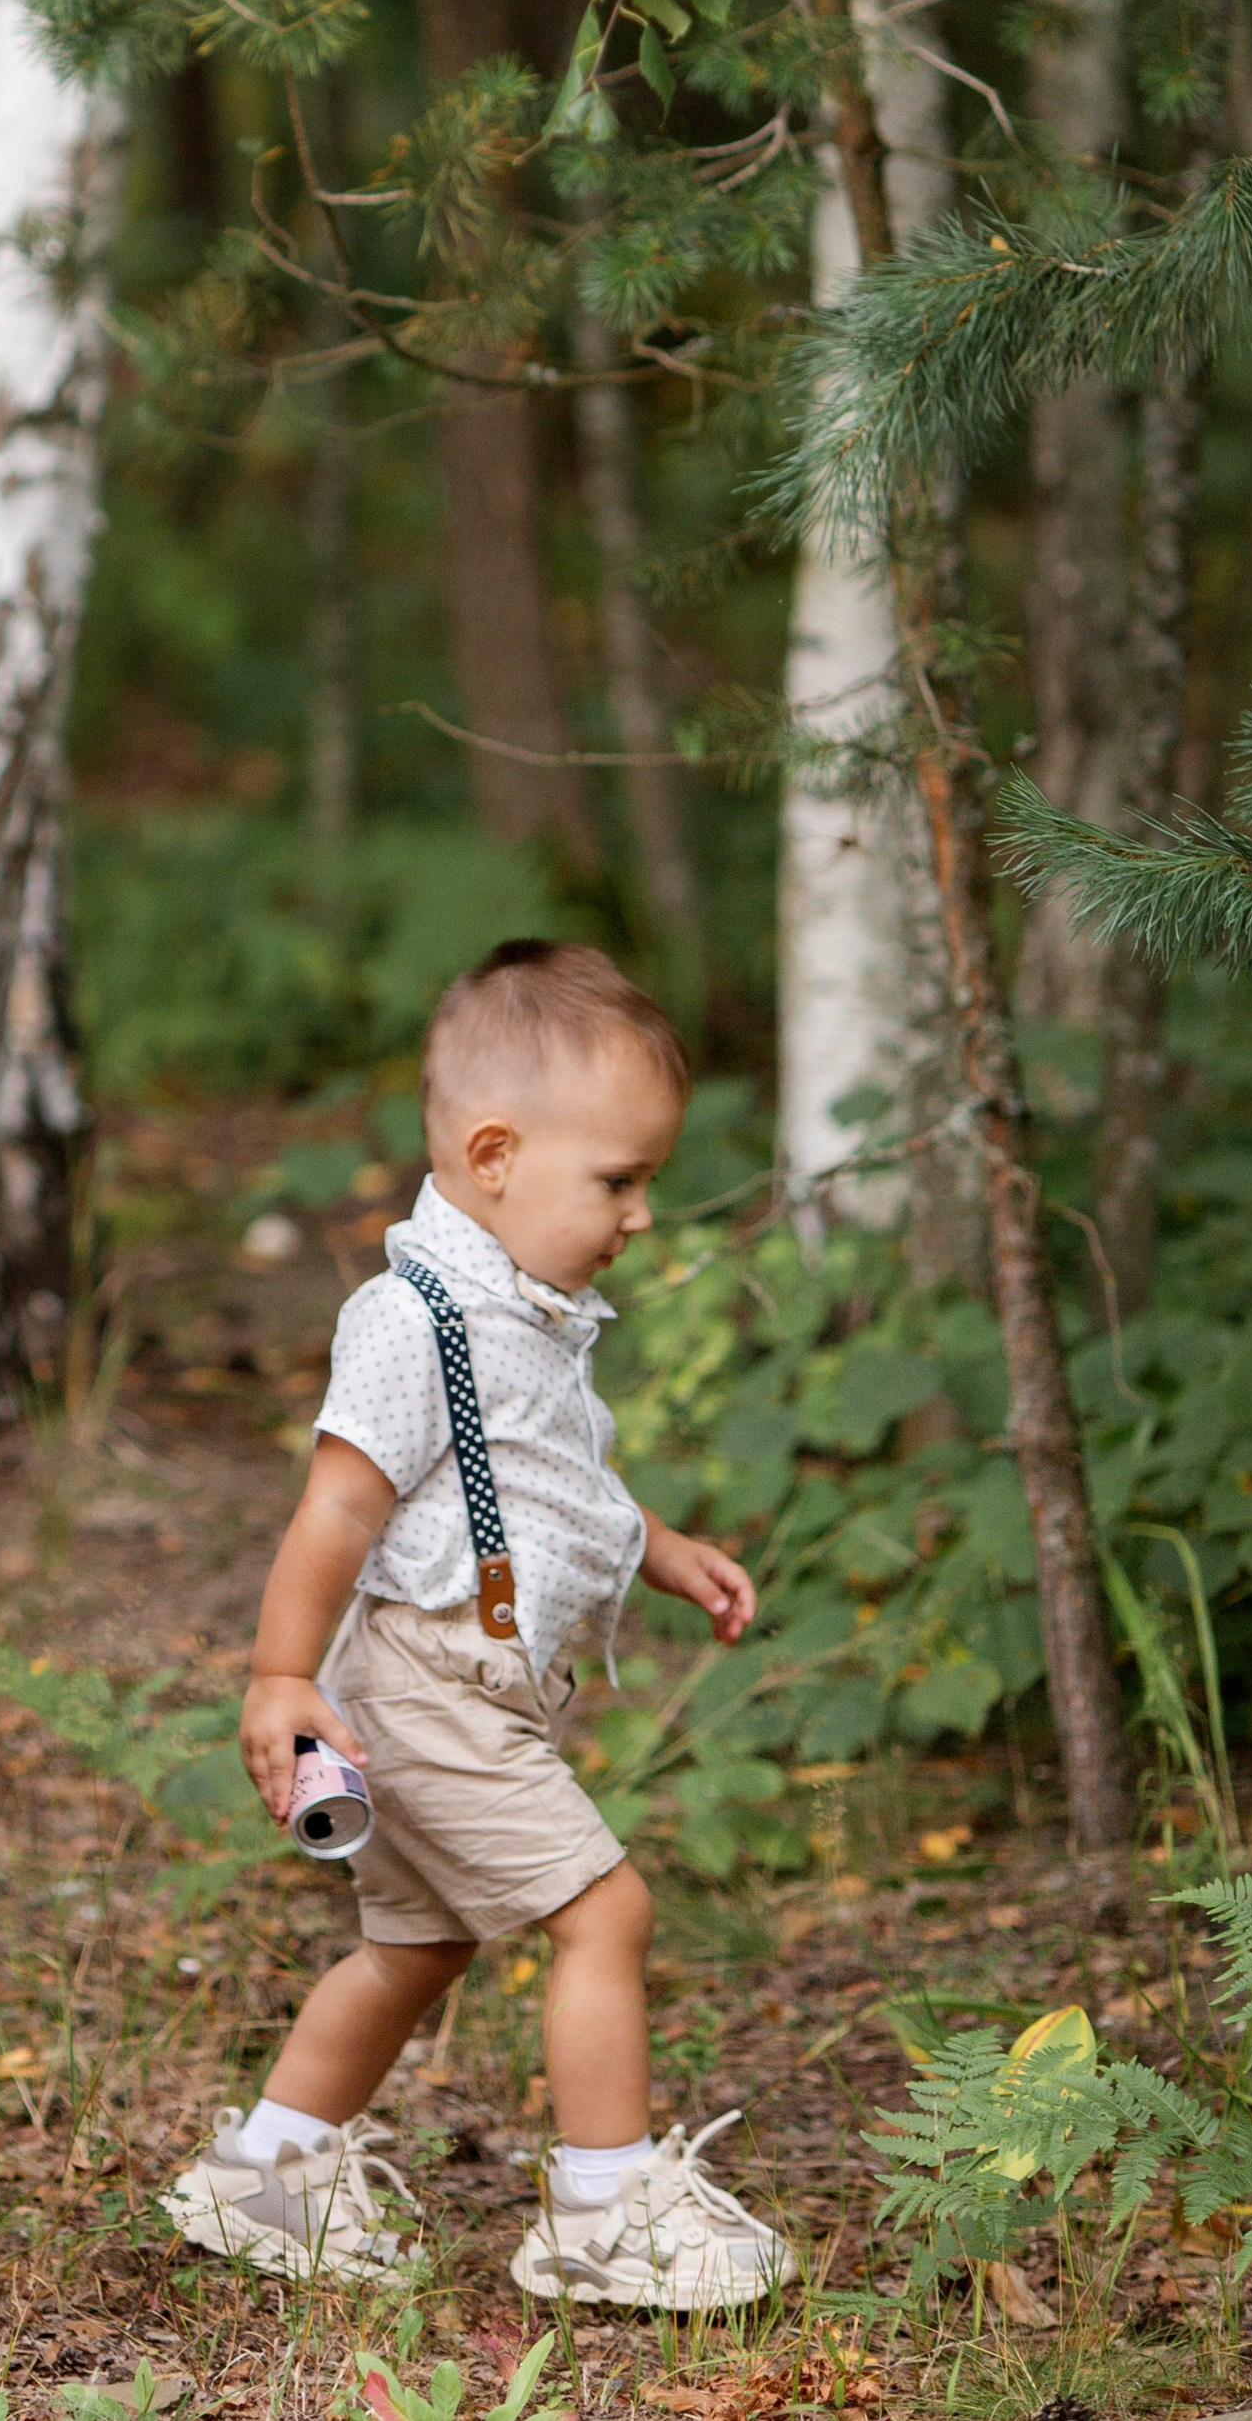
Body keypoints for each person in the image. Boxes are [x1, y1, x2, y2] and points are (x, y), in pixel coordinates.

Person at [163, 939, 795, 2310]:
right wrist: (280, 1673)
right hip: (427, 1680)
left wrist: (665, 1549)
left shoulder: (532, 1314)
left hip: (480, 1683)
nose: (639, 1215)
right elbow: (335, 1510)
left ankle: (269, 2166)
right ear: (497, 1152)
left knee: (418, 1946)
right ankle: (604, 2203)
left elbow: (548, 1483)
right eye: (618, 1179)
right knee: (605, 1910)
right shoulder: (411, 1315)